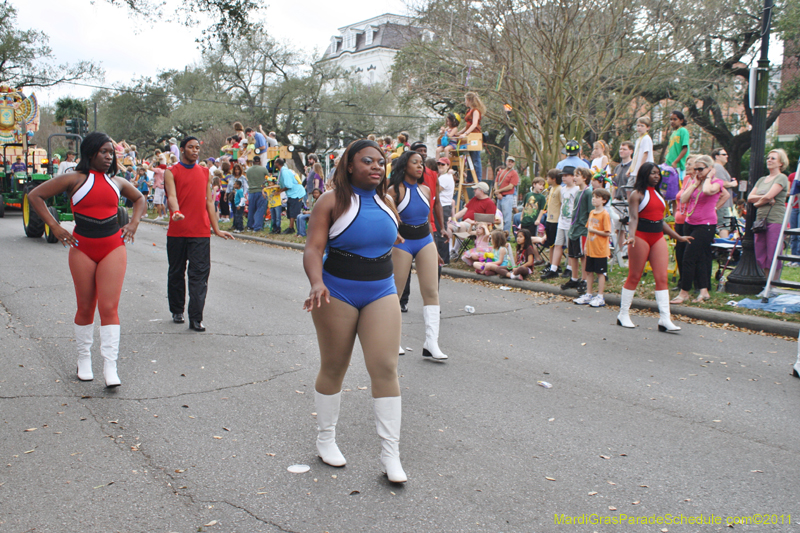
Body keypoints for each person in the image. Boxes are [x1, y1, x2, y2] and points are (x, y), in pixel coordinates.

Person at [302, 139, 407, 483]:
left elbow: (384, 235)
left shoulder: (387, 200)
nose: (377, 167)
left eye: (381, 162)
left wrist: (388, 237)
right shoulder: (330, 200)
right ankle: (326, 439)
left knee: (386, 367)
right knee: (334, 366)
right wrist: (316, 282)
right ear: (349, 165)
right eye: (368, 161)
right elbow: (314, 248)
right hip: (338, 290)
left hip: (381, 289)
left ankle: (391, 455)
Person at [27, 132, 146, 387]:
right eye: (103, 151)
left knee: (109, 307)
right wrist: (54, 226)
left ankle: (110, 366)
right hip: (82, 247)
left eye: (110, 152)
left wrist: (134, 224)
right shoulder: (74, 178)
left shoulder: (118, 181)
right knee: (85, 306)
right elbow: (35, 196)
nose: (108, 156)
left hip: (113, 246)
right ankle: (83, 360)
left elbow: (140, 199)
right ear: (90, 152)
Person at [165, 137, 235, 332]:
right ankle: (177, 310)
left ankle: (196, 318)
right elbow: (171, 196)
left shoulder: (205, 172)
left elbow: (209, 202)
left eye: (197, 148)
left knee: (199, 276)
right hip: (177, 232)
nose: (195, 151)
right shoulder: (171, 172)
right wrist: (176, 211)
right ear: (182, 150)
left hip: (200, 232)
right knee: (176, 272)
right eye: (190, 147)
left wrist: (216, 229)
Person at [617, 162, 692, 330]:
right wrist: (631, 236)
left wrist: (678, 237)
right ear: (645, 175)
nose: (657, 176)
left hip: (657, 237)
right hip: (640, 237)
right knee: (634, 276)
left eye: (658, 173)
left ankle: (665, 319)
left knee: (662, 277)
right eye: (653, 173)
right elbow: (634, 218)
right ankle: (623, 314)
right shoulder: (637, 195)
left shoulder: (660, 195)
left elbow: (661, 221)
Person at [388, 151, 447, 360]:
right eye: (415, 163)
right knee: (395, 291)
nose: (420, 166)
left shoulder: (426, 188)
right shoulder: (393, 191)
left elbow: (427, 218)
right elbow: (388, 220)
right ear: (404, 166)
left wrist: (435, 247)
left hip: (425, 241)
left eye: (422, 163)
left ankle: (431, 343)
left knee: (432, 290)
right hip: (403, 243)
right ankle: (392, 340)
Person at [671, 155, 729, 304]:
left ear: (710, 169)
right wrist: (694, 183)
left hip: (706, 225)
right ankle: (704, 291)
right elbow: (683, 199)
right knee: (700, 258)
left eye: (701, 169)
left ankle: (684, 292)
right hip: (690, 222)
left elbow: (709, 191)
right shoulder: (695, 182)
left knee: (688, 257)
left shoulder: (716, 182)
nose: (697, 171)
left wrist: (708, 178)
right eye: (695, 169)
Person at [748, 149, 790, 281]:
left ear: (781, 163)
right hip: (760, 219)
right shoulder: (761, 180)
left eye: (773, 158)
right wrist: (762, 200)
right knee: (761, 251)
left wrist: (757, 203)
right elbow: (750, 197)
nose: (769, 160)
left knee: (773, 252)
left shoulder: (781, 178)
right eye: (768, 158)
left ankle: (773, 284)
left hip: (775, 219)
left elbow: (769, 196)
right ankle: (766, 282)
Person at [574, 188, 611, 307]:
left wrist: (594, 230)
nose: (593, 199)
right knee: (588, 271)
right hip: (590, 248)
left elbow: (607, 232)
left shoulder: (605, 214)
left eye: (597, 197)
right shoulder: (591, 213)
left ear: (604, 200)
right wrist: (585, 246)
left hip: (600, 249)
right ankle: (588, 294)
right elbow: (589, 231)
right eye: (593, 197)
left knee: (600, 273)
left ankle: (600, 296)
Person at [562, 167, 593, 293]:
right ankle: (574, 278)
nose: (575, 178)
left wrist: (588, 228)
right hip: (573, 229)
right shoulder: (578, 192)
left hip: (582, 230)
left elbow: (591, 212)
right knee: (572, 255)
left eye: (577, 175)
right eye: (574, 175)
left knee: (582, 256)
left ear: (585, 178)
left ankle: (584, 279)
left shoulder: (588, 192)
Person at [456, 92, 485, 182]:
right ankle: (470, 178)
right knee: (469, 159)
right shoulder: (469, 111)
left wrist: (466, 133)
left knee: (475, 159)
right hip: (470, 135)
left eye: (465, 100)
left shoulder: (476, 111)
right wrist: (459, 133)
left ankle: (478, 179)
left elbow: (474, 124)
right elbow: (467, 125)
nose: (465, 102)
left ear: (469, 100)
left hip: (475, 135)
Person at [540, 169, 563, 277]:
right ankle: (551, 262)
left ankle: (555, 265)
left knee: (554, 244)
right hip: (549, 219)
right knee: (550, 243)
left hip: (556, 220)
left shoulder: (559, 189)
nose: (546, 179)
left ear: (553, 179)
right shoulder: (552, 189)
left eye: (548, 177)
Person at [711, 148, 738, 239]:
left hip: (723, 203)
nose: (727, 156)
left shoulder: (719, 167)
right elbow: (720, 182)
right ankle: (723, 248)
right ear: (717, 156)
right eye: (724, 154)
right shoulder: (717, 167)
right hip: (722, 203)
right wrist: (732, 184)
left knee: (723, 225)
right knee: (724, 225)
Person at [277, 158, 306, 234]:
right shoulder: (283, 171)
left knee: (293, 211)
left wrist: (280, 191)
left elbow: (288, 185)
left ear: (277, 164)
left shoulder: (285, 172)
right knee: (289, 210)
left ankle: (291, 228)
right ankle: (291, 227)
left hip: (296, 193)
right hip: (292, 194)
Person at [494, 156, 519, 233]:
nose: (510, 163)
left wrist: (498, 191)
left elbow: (510, 186)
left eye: (512, 162)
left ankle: (506, 234)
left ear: (514, 163)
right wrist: (497, 192)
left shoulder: (514, 173)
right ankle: (498, 233)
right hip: (499, 196)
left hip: (508, 196)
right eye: (509, 161)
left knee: (507, 217)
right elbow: (496, 182)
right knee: (498, 216)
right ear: (506, 162)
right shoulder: (501, 172)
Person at [245, 156, 269, 231]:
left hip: (251, 192)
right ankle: (257, 226)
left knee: (251, 209)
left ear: (253, 161)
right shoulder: (263, 169)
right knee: (260, 209)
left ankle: (250, 225)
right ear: (260, 161)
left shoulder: (248, 170)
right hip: (261, 191)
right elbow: (268, 179)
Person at [666, 111, 691, 181]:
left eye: (675, 119)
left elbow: (685, 148)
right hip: (670, 164)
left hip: (678, 165)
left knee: (678, 186)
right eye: (671, 119)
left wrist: (676, 162)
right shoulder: (673, 132)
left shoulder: (683, 131)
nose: (672, 121)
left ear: (681, 120)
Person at [630, 117, 654, 181]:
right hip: (634, 171)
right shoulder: (638, 139)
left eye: (642, 126)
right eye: (638, 126)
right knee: (629, 188)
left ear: (648, 128)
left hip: (642, 170)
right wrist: (630, 169)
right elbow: (635, 156)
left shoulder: (646, 138)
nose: (639, 128)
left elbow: (645, 154)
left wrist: (641, 169)